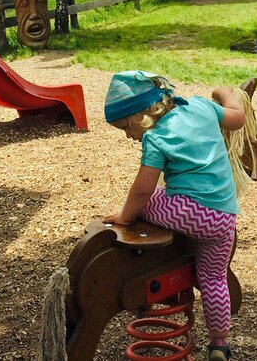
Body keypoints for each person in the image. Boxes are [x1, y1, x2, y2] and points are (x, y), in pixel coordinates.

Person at [103, 71, 246, 361]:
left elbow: (144, 189)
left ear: (142, 116)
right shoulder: (202, 107)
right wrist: (223, 92)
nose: (130, 136)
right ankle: (219, 343)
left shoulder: (156, 137)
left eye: (126, 128)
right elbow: (238, 117)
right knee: (214, 278)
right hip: (223, 216)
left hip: (189, 211)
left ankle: (148, 266)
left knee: (144, 202)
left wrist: (125, 217)